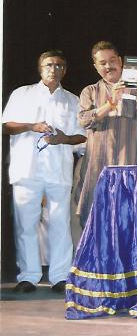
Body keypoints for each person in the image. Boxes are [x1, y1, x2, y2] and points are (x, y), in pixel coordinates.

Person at [2, 50, 86, 293]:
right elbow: (6, 126)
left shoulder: (72, 100)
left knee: (60, 224)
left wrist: (64, 138)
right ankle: (28, 276)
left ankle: (60, 277)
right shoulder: (22, 94)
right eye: (49, 65)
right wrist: (31, 126)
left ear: (65, 70)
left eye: (59, 65)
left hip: (58, 170)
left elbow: (82, 136)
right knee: (26, 225)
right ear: (40, 68)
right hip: (26, 168)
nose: (54, 69)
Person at [75, 41, 137, 227]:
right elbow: (84, 120)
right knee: (95, 221)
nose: (108, 66)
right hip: (98, 168)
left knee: (128, 220)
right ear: (95, 67)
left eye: (112, 60)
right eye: (102, 63)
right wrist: (110, 103)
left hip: (129, 164)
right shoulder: (90, 91)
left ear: (120, 62)